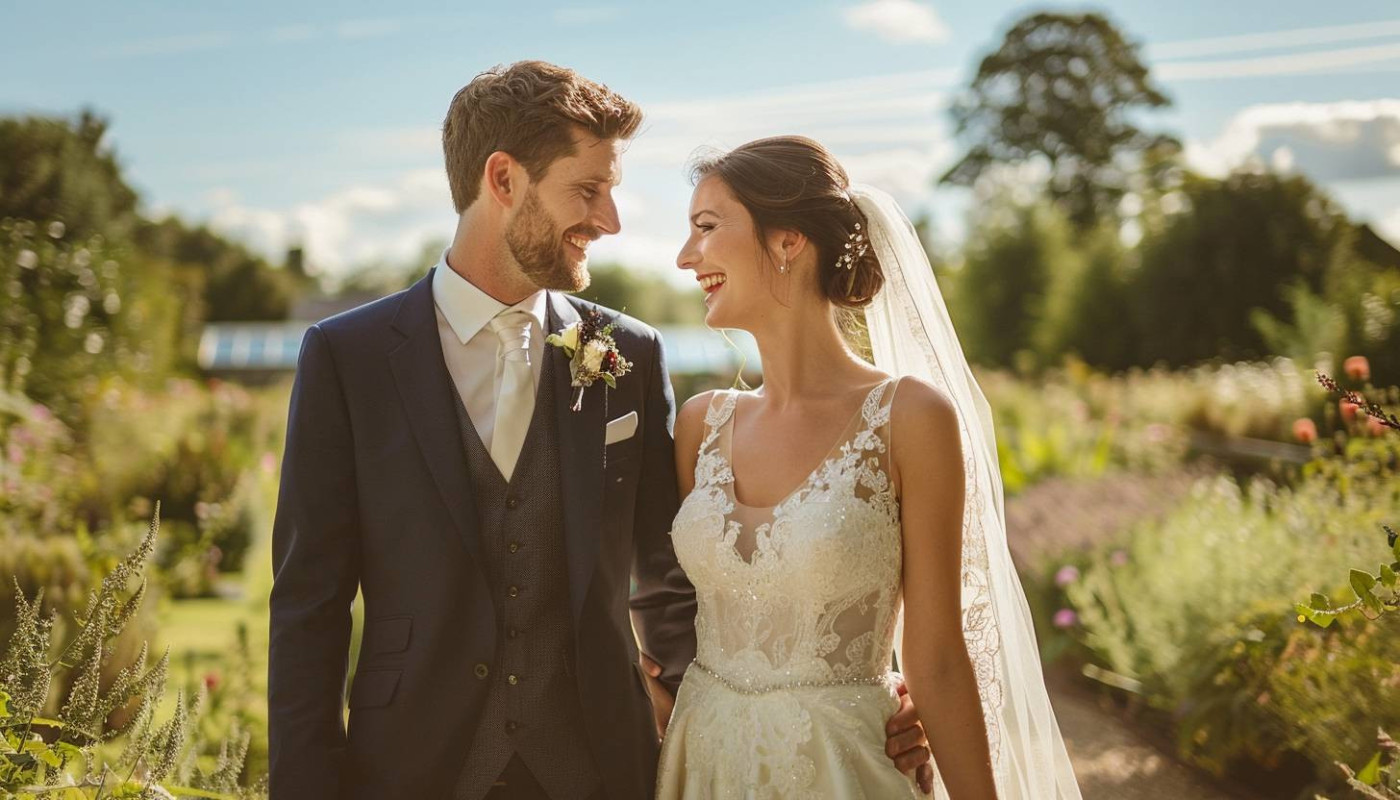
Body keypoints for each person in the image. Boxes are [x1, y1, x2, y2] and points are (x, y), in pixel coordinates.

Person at [268, 62, 932, 800]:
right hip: (412, 764)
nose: (610, 221)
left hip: (598, 766)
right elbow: (309, 605)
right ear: (503, 178)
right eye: (589, 190)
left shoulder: (630, 355)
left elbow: (672, 567)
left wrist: (834, 693)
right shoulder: (347, 356)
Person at [657, 136, 1083, 798]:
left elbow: (938, 657)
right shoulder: (698, 425)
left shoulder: (909, 418)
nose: (686, 257)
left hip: (843, 768)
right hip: (701, 765)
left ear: (787, 241)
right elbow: (656, 605)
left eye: (706, 228)